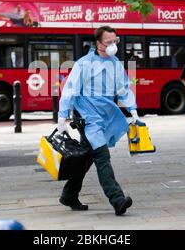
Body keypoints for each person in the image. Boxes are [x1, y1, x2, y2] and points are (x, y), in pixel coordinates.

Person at [56, 26, 139, 216]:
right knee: (102, 156)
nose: (112, 46)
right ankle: (117, 199)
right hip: (87, 117)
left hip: (105, 116)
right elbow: (70, 90)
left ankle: (69, 195)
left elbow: (124, 88)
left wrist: (133, 109)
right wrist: (62, 116)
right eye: (108, 42)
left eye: (115, 42)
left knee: (86, 157)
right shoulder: (83, 64)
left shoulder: (115, 63)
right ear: (98, 43)